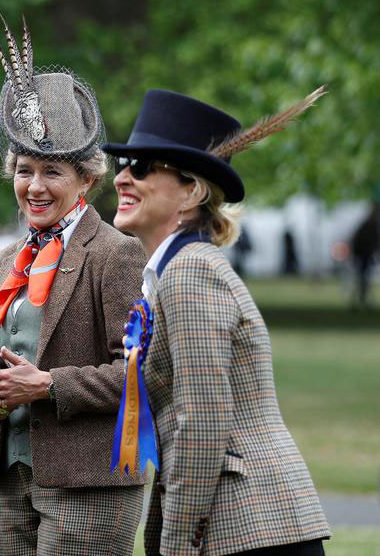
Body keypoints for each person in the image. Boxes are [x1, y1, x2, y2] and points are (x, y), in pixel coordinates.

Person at [104, 88, 331, 555]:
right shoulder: (176, 270)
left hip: (249, 530)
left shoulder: (189, 272)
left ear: (191, 190)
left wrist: (178, 546)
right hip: (242, 528)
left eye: (142, 166)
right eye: (121, 166)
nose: (122, 179)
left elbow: (201, 419)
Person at [0, 18, 147, 556]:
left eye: (52, 172)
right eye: (24, 170)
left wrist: (48, 385)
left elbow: (142, 373)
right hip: (11, 479)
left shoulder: (114, 254)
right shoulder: (3, 262)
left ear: (87, 180)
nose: (34, 186)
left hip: (90, 486)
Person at [350, 203, 379, 308]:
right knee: (363, 279)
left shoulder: (368, 225)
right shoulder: (369, 225)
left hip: (365, 255)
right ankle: (360, 300)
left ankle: (360, 300)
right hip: (364, 255)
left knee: (363, 278)